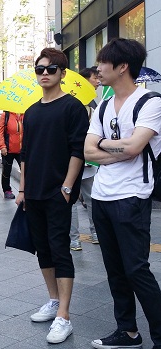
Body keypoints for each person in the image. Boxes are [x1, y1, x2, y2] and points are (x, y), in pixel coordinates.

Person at [84, 38, 161, 349]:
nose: (98, 68)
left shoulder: (150, 102)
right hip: (101, 197)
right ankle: (127, 332)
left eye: (103, 62)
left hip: (132, 196)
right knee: (114, 270)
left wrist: (111, 146)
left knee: (136, 269)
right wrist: (119, 148)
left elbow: (136, 147)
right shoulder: (102, 105)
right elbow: (89, 149)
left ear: (122, 66)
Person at [15, 47, 88, 344]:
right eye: (40, 69)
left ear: (62, 73)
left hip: (58, 192)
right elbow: (26, 155)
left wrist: (67, 188)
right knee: (42, 249)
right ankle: (53, 300)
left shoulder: (73, 107)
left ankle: (64, 316)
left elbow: (78, 150)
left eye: (51, 69)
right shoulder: (31, 112)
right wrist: (22, 189)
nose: (44, 73)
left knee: (60, 250)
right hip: (33, 192)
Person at [70, 66, 101, 250]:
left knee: (77, 200)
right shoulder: (86, 106)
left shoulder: (88, 104)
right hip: (84, 159)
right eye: (94, 78)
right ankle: (93, 233)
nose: (98, 81)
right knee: (88, 198)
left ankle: (75, 239)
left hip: (83, 160)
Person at [0, 110, 24, 199]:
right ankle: (7, 190)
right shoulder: (6, 115)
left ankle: (26, 190)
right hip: (8, 149)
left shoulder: (26, 114)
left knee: (25, 170)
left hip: (23, 150)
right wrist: (2, 146)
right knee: (6, 170)